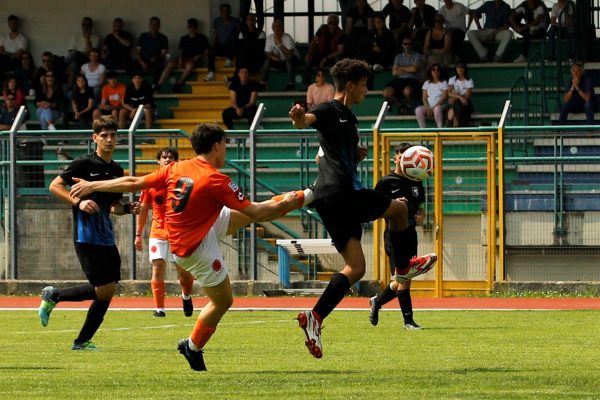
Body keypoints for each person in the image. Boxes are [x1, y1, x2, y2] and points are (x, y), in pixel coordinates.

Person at [69, 123, 311, 371]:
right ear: (217, 146)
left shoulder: (177, 167)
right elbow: (258, 212)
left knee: (253, 214)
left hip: (196, 227)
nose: (225, 151)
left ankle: (311, 194)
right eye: (225, 145)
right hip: (195, 248)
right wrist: (291, 202)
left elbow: (133, 182)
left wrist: (92, 186)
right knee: (223, 301)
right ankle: (192, 347)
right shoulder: (215, 179)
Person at [289, 58, 436, 359]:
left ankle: (315, 318)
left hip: (329, 200)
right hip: (343, 193)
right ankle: (404, 267)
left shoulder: (348, 119)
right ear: (352, 85)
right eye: (365, 84)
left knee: (356, 267)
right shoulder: (330, 109)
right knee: (398, 210)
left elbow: (330, 153)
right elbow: (307, 121)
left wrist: (355, 156)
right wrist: (297, 119)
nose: (367, 90)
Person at [39, 115, 140, 351]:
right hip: (86, 237)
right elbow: (54, 186)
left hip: (106, 236)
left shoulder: (117, 169)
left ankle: (79, 337)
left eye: (113, 135)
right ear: (95, 138)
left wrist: (127, 208)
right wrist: (78, 203)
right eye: (104, 135)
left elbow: (113, 206)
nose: (109, 139)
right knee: (104, 288)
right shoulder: (84, 164)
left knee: (108, 290)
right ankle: (65, 313)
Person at [369, 143, 432, 330]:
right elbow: (372, 210)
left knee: (405, 278)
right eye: (401, 155)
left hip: (411, 234)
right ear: (396, 158)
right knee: (402, 279)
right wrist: (392, 205)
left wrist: (421, 214)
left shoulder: (417, 179)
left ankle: (377, 301)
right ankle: (408, 322)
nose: (404, 157)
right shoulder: (386, 182)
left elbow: (419, 206)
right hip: (393, 236)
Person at [135, 147, 195, 318]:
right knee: (157, 267)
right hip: (158, 232)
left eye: (171, 157)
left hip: (179, 233)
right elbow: (144, 209)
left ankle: (186, 296)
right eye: (164, 157)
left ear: (176, 161)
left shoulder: (183, 182)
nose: (167, 160)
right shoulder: (151, 182)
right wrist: (138, 234)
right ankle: (159, 309)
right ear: (158, 161)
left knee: (183, 272)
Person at [158, 18, 209, 94]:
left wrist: (198, 56)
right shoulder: (184, 38)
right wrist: (180, 60)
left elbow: (206, 52)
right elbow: (180, 52)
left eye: (193, 27)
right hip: (183, 59)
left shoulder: (202, 38)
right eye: (190, 26)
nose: (191, 29)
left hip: (193, 60)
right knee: (170, 64)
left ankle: (179, 84)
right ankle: (159, 85)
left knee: (189, 66)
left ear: (196, 27)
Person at [382, 37, 424, 115]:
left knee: (407, 92)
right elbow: (394, 72)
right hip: (399, 80)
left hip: (412, 80)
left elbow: (414, 69)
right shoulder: (398, 56)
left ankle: (409, 106)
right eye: (405, 44)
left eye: (410, 44)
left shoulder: (417, 55)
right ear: (402, 45)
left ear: (412, 45)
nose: (407, 46)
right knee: (386, 93)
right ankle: (401, 105)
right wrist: (408, 68)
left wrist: (400, 68)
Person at [303, 14, 345, 88]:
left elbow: (340, 51)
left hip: (332, 56)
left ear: (337, 24)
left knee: (339, 61)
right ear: (327, 22)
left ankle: (339, 86)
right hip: (320, 54)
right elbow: (313, 41)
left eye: (335, 23)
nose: (332, 25)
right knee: (308, 60)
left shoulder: (340, 34)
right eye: (330, 23)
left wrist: (326, 58)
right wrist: (309, 54)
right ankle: (306, 85)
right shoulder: (322, 29)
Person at [259, 19, 301, 91]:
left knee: (288, 60)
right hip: (279, 61)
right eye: (275, 27)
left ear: (282, 28)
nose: (277, 29)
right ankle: (262, 84)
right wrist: (273, 57)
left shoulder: (287, 37)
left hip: (292, 60)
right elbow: (267, 53)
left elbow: (290, 54)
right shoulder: (269, 38)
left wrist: (280, 45)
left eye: (279, 27)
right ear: (272, 28)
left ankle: (290, 84)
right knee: (266, 62)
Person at [205, 4, 241, 82]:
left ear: (230, 12)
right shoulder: (217, 21)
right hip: (221, 47)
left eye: (227, 11)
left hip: (232, 47)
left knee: (233, 37)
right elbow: (215, 34)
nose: (225, 13)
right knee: (211, 49)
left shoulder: (235, 21)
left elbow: (239, 35)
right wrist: (212, 45)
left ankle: (229, 60)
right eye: (223, 11)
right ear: (220, 12)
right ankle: (211, 72)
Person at [135, 16, 168, 92]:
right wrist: (142, 62)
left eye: (156, 24)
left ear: (159, 26)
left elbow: (163, 54)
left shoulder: (163, 38)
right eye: (152, 24)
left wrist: (157, 57)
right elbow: (137, 51)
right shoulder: (143, 36)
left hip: (156, 60)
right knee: (132, 65)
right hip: (144, 60)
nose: (154, 26)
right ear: (149, 26)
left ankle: (155, 85)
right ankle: (138, 86)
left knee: (159, 64)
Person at [66, 17, 101, 88]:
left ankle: (62, 65)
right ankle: (71, 87)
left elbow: (91, 54)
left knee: (75, 53)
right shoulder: (75, 36)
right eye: (84, 24)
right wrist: (80, 54)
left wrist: (87, 39)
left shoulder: (96, 38)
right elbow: (70, 51)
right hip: (76, 59)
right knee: (74, 64)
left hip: (87, 60)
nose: (86, 26)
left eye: (88, 24)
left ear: (92, 26)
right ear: (82, 25)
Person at [415, 63, 448, 128]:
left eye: (437, 70)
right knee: (418, 110)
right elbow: (424, 97)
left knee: (437, 109)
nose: (435, 71)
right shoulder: (426, 83)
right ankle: (423, 131)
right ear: (431, 71)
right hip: (429, 106)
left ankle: (440, 129)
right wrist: (427, 107)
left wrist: (434, 107)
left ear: (440, 72)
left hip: (440, 105)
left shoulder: (444, 82)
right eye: (433, 70)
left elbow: (444, 97)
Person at [447, 61, 474, 127]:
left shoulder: (469, 80)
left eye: (462, 67)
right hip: (456, 102)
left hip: (465, 104)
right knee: (456, 104)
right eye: (458, 67)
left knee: (454, 107)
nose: (460, 68)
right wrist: (460, 97)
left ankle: (449, 127)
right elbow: (449, 92)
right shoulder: (452, 79)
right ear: (456, 69)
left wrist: (455, 96)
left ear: (465, 69)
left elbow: (467, 95)